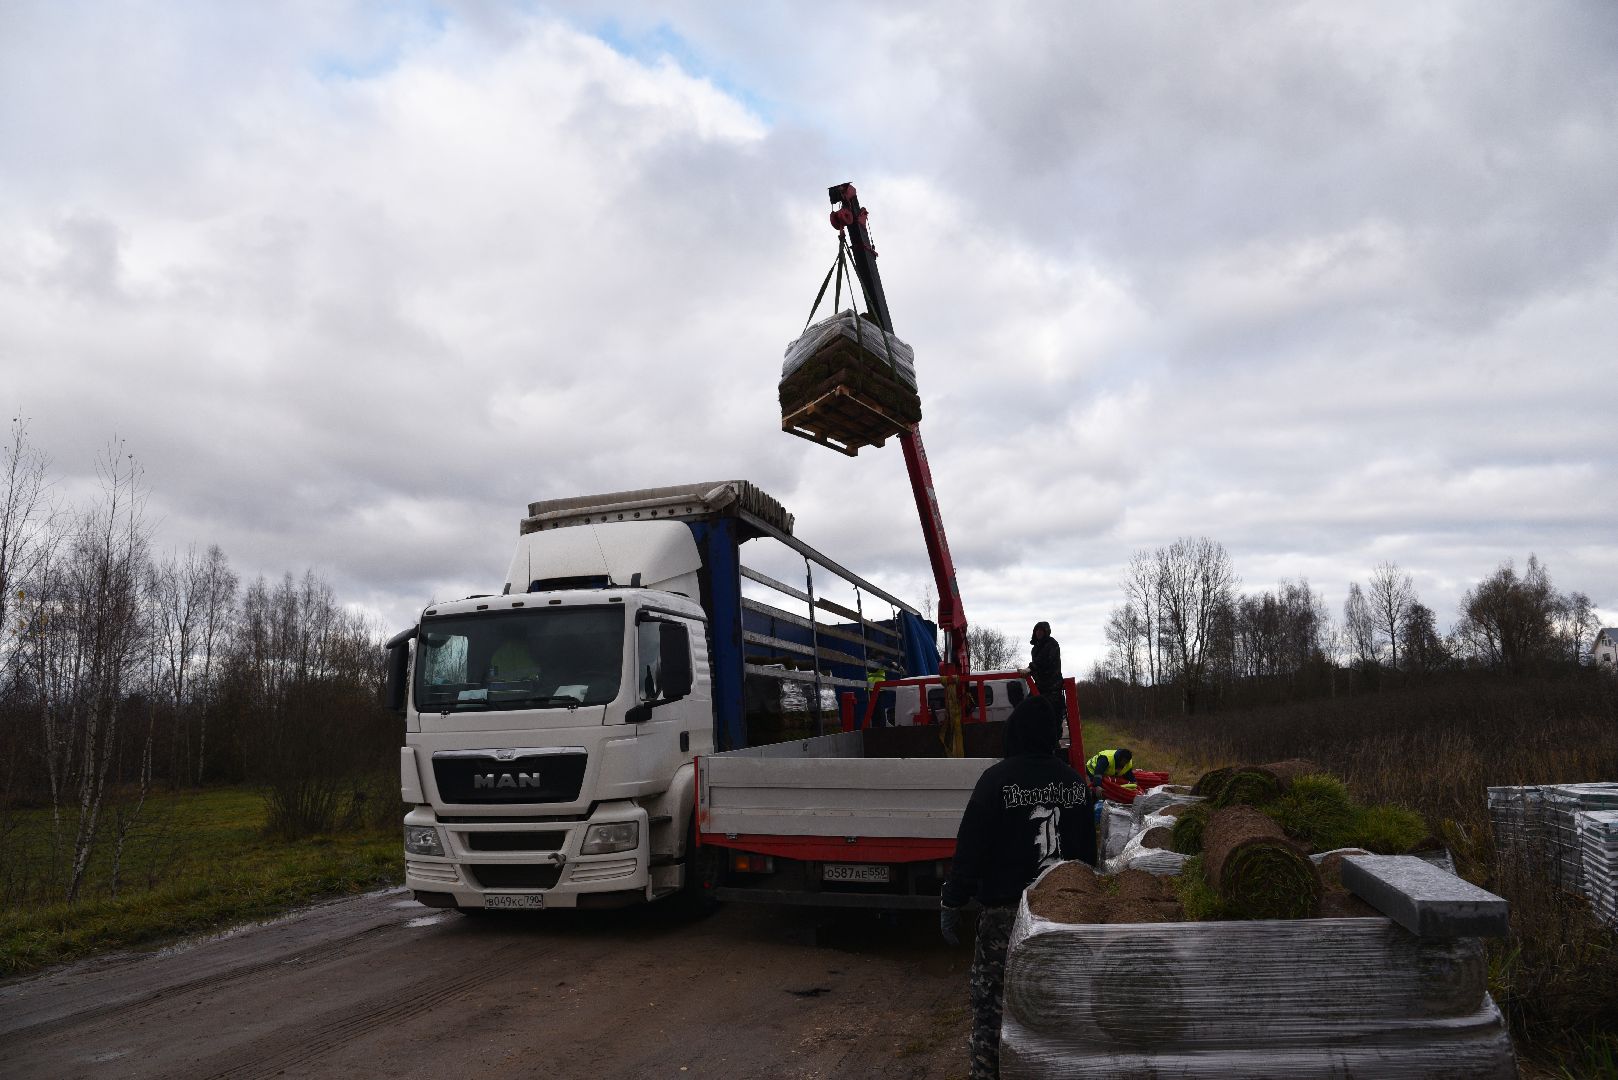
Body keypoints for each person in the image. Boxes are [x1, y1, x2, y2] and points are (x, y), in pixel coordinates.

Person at [939, 695, 1096, 1079]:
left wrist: (953, 900)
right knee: (1059, 1005)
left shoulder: (995, 781)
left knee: (993, 1008)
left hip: (1004, 919)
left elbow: (970, 848)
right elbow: (1089, 860)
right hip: (1062, 916)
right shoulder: (1075, 784)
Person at [1025, 621, 1066, 724]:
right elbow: (1037, 664)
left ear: (1046, 632)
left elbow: (1044, 661)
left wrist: (1030, 668)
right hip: (1040, 684)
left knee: (1053, 713)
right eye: (1036, 630)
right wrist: (1032, 671)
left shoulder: (1052, 644)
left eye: (1041, 630)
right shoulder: (1035, 649)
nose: (1038, 633)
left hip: (1052, 685)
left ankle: (1055, 737)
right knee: (1029, 707)